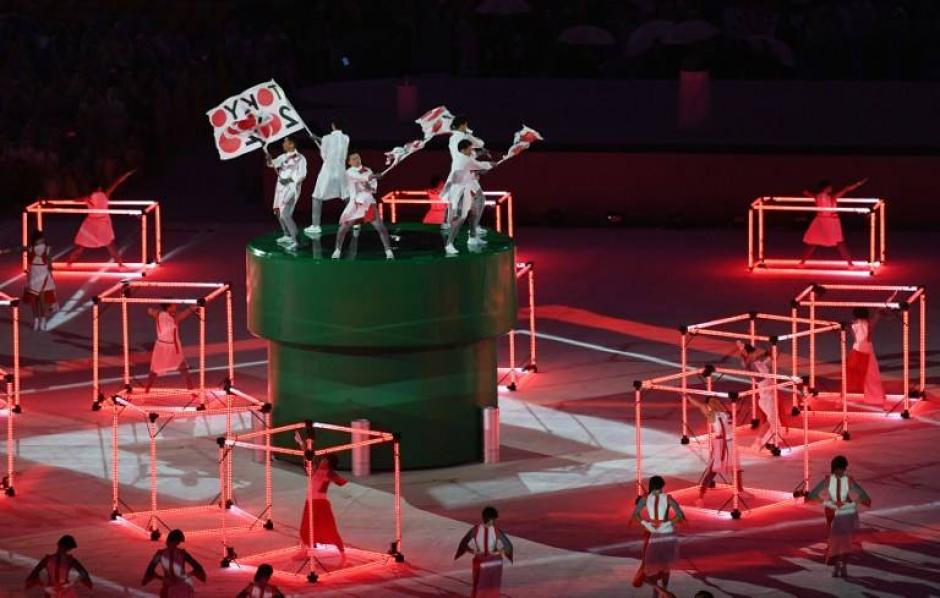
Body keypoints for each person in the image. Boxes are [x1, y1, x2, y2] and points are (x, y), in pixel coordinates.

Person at [806, 455, 871, 579]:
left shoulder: (836, 480)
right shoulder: (838, 480)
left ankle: (842, 566)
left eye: (842, 469)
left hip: (842, 512)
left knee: (843, 541)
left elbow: (861, 493)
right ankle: (838, 566)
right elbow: (814, 493)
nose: (840, 471)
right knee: (837, 541)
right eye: (839, 469)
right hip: (835, 511)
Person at [66, 169, 135, 267]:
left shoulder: (88, 197)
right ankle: (120, 264)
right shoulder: (104, 194)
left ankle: (69, 262)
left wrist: (84, 200)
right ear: (99, 187)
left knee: (82, 246)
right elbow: (116, 182)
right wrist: (126, 174)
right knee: (110, 245)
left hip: (92, 222)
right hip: (101, 222)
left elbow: (75, 200)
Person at [332, 151, 394, 260]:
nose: (357, 160)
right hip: (355, 204)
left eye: (358, 158)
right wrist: (373, 177)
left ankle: (388, 252)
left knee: (381, 228)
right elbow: (362, 178)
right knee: (342, 229)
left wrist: (370, 185)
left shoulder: (368, 170)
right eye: (354, 159)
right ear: (349, 162)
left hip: (368, 202)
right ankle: (337, 250)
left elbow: (373, 188)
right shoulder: (348, 172)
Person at [631, 476, 684, 598]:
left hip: (655, 533)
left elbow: (636, 514)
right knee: (665, 565)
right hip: (668, 532)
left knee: (649, 569)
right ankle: (663, 590)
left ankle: (660, 591)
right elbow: (679, 515)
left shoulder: (646, 498)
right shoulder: (668, 498)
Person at [687, 395, 746, 503]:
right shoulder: (712, 414)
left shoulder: (727, 413)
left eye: (716, 400)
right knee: (713, 471)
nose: (715, 402)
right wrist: (688, 397)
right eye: (711, 402)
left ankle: (740, 490)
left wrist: (739, 399)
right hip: (720, 444)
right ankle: (701, 496)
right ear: (709, 405)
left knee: (736, 469)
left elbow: (737, 408)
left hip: (731, 443)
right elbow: (700, 405)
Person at [799, 178, 868, 266]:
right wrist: (858, 184)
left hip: (822, 220)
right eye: (830, 187)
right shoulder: (832, 197)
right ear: (826, 187)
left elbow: (805, 192)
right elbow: (846, 189)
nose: (832, 188)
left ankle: (802, 263)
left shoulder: (817, 196)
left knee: (813, 243)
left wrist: (804, 191)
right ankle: (850, 264)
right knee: (839, 243)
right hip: (830, 221)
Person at [443, 139, 493, 256]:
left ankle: (472, 237)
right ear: (463, 150)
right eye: (470, 148)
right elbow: (480, 167)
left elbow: (477, 162)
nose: (472, 150)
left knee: (474, 211)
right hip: (459, 190)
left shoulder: (468, 156)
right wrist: (489, 165)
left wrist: (484, 153)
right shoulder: (462, 159)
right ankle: (449, 244)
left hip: (468, 185)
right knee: (462, 216)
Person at [454, 506, 514, 598]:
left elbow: (463, 543)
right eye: (493, 519)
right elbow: (508, 546)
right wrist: (499, 551)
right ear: (490, 519)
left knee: (479, 586)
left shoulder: (475, 529)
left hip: (481, 560)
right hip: (493, 562)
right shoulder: (496, 531)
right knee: (492, 586)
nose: (494, 521)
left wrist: (472, 551)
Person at [445, 116, 488, 243]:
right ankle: (471, 232)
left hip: (460, 171)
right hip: (464, 172)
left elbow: (466, 153)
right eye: (466, 125)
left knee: (463, 203)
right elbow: (480, 144)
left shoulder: (452, 138)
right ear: (463, 125)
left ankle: (472, 232)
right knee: (472, 202)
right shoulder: (464, 136)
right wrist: (469, 134)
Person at [298, 450, 349, 558]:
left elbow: (341, 482)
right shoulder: (316, 470)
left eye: (324, 460)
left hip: (320, 503)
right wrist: (303, 449)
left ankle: (343, 555)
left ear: (328, 464)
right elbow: (307, 464)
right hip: (310, 502)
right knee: (304, 528)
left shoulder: (328, 472)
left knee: (329, 529)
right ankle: (303, 552)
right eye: (322, 459)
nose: (322, 461)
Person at [305, 121, 349, 236]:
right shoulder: (346, 138)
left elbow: (324, 155)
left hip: (328, 170)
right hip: (341, 170)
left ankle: (315, 226)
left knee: (316, 197)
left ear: (333, 125)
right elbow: (339, 148)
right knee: (346, 196)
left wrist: (320, 141)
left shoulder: (326, 138)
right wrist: (318, 139)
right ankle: (355, 222)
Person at [736, 342, 782, 452]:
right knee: (773, 422)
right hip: (766, 397)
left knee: (775, 422)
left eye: (754, 353)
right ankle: (761, 442)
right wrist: (742, 349)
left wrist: (773, 347)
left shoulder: (760, 363)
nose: (754, 355)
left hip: (771, 394)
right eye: (751, 354)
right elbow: (745, 361)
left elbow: (773, 355)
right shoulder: (750, 365)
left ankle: (768, 442)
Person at [143, 304, 196, 394]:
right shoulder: (175, 317)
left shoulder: (158, 314)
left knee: (154, 372)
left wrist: (150, 309)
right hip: (169, 348)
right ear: (169, 307)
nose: (176, 306)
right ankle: (193, 393)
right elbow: (186, 312)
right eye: (173, 305)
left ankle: (146, 392)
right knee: (183, 371)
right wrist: (194, 307)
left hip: (162, 347)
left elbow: (150, 310)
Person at [266, 137, 307, 252]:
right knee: (278, 212)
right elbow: (272, 164)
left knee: (285, 215)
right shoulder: (283, 157)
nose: (283, 144)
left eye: (285, 142)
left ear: (292, 144)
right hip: (280, 189)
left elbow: (303, 175)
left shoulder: (301, 158)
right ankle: (287, 235)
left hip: (291, 189)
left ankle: (296, 241)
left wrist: (289, 180)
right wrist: (269, 160)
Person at [142, 529, 206, 597]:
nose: (177, 544)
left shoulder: (163, 554)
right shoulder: (181, 554)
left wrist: (158, 577)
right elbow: (197, 567)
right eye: (177, 542)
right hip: (177, 588)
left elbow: (151, 569)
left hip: (177, 588)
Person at [25, 535, 93, 597]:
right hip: (64, 590)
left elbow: (34, 574)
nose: (65, 550)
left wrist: (44, 587)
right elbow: (84, 573)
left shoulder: (48, 559)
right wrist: (73, 582)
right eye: (66, 548)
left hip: (54, 590)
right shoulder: (69, 560)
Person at [847, 306, 887, 407]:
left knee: (850, 375)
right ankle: (875, 398)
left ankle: (843, 396)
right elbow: (876, 319)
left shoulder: (853, 325)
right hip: (867, 351)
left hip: (857, 350)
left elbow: (855, 339)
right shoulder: (868, 324)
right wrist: (879, 313)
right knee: (872, 375)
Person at [23, 230, 58, 331]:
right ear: (35, 240)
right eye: (39, 239)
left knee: (41, 300)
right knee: (33, 300)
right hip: (33, 275)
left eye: (42, 239)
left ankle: (43, 321)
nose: (42, 240)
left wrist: (50, 270)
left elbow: (49, 261)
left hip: (43, 274)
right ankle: (36, 320)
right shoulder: (30, 249)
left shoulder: (47, 249)